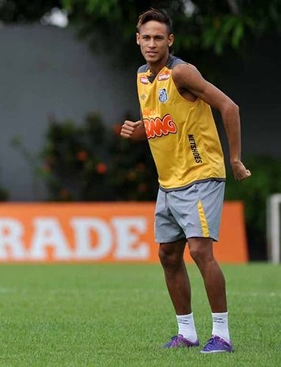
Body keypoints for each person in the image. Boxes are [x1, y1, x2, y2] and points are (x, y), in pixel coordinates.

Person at [120, 8, 251, 353]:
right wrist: (139, 131)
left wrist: (234, 159)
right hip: (169, 182)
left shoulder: (182, 73)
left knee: (199, 251)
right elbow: (166, 122)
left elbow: (230, 107)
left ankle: (221, 334)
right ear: (138, 39)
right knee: (168, 255)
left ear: (170, 40)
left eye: (158, 38)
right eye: (145, 37)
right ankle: (187, 333)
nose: (151, 43)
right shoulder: (142, 77)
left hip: (200, 175)